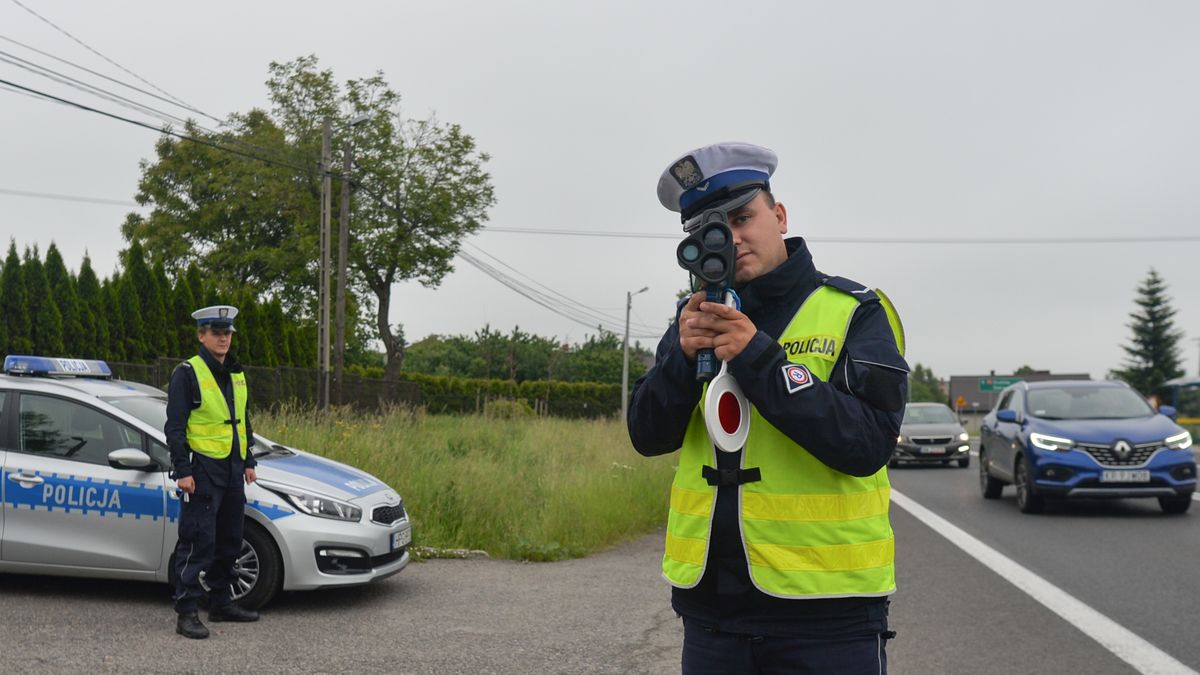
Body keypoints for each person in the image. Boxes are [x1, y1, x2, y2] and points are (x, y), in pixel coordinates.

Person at [627, 142, 909, 674]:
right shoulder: (690, 323)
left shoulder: (855, 312)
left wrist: (759, 357)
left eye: (742, 217)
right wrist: (681, 362)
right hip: (711, 612)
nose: (731, 238)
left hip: (828, 617)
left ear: (778, 216)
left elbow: (868, 444)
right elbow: (646, 435)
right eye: (709, 230)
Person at [166, 304, 260, 639]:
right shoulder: (187, 373)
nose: (223, 339)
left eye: (227, 333)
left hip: (233, 469)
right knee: (197, 542)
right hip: (202, 470)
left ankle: (221, 603)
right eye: (216, 333)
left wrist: (249, 460)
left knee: (230, 541)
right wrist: (183, 470)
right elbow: (175, 428)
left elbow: (242, 421)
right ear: (201, 335)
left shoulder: (236, 371)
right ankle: (187, 612)